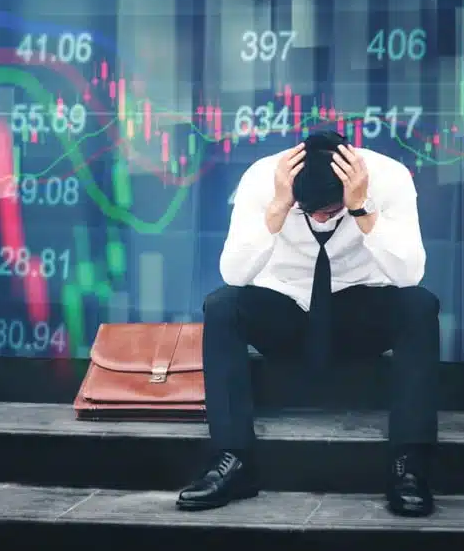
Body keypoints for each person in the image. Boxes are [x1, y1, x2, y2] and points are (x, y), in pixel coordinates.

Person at [177, 130, 440, 517]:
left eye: (331, 211)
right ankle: (233, 458)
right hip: (285, 308)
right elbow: (233, 272)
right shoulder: (262, 178)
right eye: (309, 212)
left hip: (357, 312)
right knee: (222, 306)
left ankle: (410, 466)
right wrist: (279, 208)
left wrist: (362, 210)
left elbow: (409, 275)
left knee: (420, 305)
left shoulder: (390, 178)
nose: (319, 219)